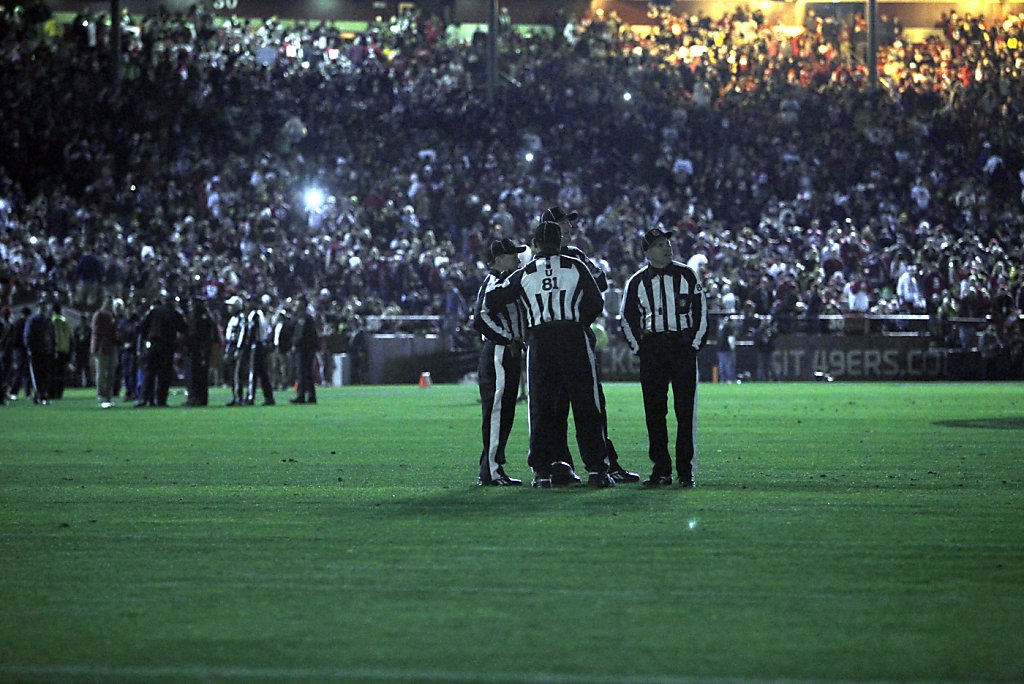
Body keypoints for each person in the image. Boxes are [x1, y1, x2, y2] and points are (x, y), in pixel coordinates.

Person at [486, 220, 615, 488]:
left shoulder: (526, 272)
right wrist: (579, 320)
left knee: (541, 407)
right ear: (559, 244)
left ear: (534, 245)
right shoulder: (575, 265)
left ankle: (542, 472)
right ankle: (597, 469)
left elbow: (494, 298)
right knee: (586, 404)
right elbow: (596, 301)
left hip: (541, 340)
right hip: (572, 336)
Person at [541, 205, 639, 483]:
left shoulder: (574, 256)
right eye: (563, 223)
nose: (570, 228)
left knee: (591, 405)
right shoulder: (544, 261)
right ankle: (562, 465)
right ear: (549, 228)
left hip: (575, 336)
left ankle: (603, 463)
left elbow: (602, 283)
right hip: (557, 340)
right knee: (557, 407)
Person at [620, 227, 709, 487]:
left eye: (667, 242)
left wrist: (693, 345)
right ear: (647, 252)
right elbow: (627, 318)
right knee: (654, 412)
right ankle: (661, 469)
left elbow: (702, 312)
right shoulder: (636, 282)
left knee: (685, 411)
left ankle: (685, 470)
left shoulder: (687, 275)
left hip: (681, 347)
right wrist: (639, 348)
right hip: (653, 350)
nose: (667, 247)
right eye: (659, 244)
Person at [472, 238, 528, 486]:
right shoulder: (494, 282)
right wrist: (508, 339)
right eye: (512, 255)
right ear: (499, 259)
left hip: (506, 352)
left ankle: (494, 467)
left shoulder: (504, 281)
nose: (517, 258)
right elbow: (480, 317)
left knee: (505, 411)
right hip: (499, 352)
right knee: (497, 412)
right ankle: (492, 470)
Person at [136, 291, 186, 407]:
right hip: (167, 346)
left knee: (149, 373)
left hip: (153, 344)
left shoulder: (154, 311)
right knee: (164, 375)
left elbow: (142, 327)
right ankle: (161, 400)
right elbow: (184, 329)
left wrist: (145, 340)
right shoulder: (174, 313)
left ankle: (145, 399)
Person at [243, 294, 275, 405]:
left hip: (256, 346)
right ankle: (269, 397)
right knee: (263, 373)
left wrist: (247, 345)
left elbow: (253, 332)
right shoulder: (261, 315)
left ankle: (250, 397)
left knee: (253, 373)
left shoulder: (254, 315)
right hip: (261, 345)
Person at [290, 294, 319, 404]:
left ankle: (301, 395)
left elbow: (299, 334)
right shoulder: (306, 316)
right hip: (308, 348)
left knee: (302, 372)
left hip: (303, 348)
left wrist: (294, 343)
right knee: (307, 373)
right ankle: (311, 396)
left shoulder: (302, 317)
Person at [24, 299, 54, 405]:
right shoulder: (33, 320)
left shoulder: (47, 320)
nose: (43, 308)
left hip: (45, 351)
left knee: (45, 374)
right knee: (36, 374)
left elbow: (51, 336)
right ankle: (39, 394)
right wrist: (30, 348)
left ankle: (42, 394)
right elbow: (28, 335)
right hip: (36, 351)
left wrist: (51, 349)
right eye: (42, 306)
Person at [185, 297, 214, 406]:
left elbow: (194, 334)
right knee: (202, 376)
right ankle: (201, 398)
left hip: (196, 349)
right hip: (202, 349)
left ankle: (194, 398)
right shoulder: (207, 315)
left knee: (194, 375)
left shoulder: (196, 316)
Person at [91, 296, 119, 408]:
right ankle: (102, 395)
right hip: (102, 348)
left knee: (110, 372)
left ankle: (108, 395)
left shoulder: (112, 315)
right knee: (102, 372)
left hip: (111, 346)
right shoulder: (100, 315)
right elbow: (97, 331)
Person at [223, 295, 246, 406]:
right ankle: (234, 396)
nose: (229, 308)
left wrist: (238, 348)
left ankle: (238, 397)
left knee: (237, 374)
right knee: (232, 374)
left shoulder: (241, 318)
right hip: (231, 346)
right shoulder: (232, 319)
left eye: (231, 306)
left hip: (237, 346)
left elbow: (241, 335)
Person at [49, 302, 72, 399]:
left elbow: (54, 336)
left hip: (55, 350)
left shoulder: (53, 321)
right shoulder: (65, 321)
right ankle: (60, 392)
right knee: (62, 373)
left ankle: (52, 393)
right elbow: (70, 337)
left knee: (52, 373)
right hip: (65, 350)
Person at [715, 316, 737, 383]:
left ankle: (723, 379)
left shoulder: (720, 328)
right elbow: (731, 340)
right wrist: (732, 348)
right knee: (728, 365)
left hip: (720, 349)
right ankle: (729, 379)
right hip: (726, 349)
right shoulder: (728, 328)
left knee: (722, 365)